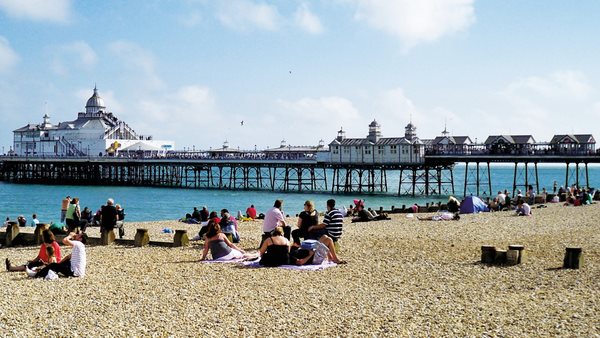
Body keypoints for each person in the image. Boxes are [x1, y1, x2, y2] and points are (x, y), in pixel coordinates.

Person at [307, 199, 345, 264]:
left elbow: (323, 225)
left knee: (313, 233)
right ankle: (329, 255)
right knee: (322, 235)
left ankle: (312, 251)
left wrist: (313, 226)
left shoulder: (329, 213)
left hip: (331, 233)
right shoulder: (339, 212)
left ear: (328, 205)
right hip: (337, 234)